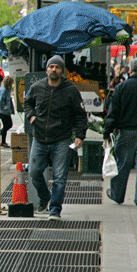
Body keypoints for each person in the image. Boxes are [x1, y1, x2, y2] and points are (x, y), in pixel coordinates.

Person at [24, 55, 88, 221]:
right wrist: (31, 117)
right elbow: (27, 102)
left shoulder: (70, 90)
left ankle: (55, 210)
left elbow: (80, 115)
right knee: (34, 172)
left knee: (60, 177)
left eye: (57, 67)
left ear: (62, 71)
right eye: (51, 67)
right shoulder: (37, 87)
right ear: (47, 70)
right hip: (40, 138)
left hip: (62, 139)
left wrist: (80, 135)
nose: (54, 70)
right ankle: (45, 197)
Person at [103, 58, 137, 205]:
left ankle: (117, 194)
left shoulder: (122, 87)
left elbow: (114, 111)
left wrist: (107, 131)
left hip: (126, 131)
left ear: (130, 70)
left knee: (122, 164)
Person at [0, 76, 15, 148]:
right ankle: (2, 139)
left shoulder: (5, 89)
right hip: (3, 111)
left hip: (5, 111)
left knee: (7, 125)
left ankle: (1, 135)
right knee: (8, 125)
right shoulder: (4, 90)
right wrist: (6, 108)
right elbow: (1, 101)